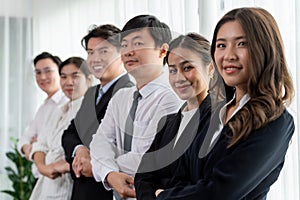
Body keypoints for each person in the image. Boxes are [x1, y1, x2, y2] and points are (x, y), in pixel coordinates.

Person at [155, 7, 295, 200]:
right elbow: (181, 174)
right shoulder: (213, 110)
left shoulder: (276, 121)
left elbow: (220, 193)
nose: (229, 55)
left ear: (264, 49)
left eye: (242, 43)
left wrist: (164, 197)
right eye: (221, 45)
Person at [89, 15, 181, 199]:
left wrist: (103, 166)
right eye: (124, 45)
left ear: (162, 51)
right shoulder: (121, 97)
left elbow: (146, 158)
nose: (129, 52)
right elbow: (100, 141)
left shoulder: (173, 97)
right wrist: (110, 174)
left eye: (138, 44)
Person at [134, 33, 214, 200]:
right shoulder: (167, 122)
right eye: (172, 70)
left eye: (187, 68)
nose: (179, 78)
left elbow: (205, 185)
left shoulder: (219, 120)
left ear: (210, 68)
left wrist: (164, 194)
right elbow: (143, 177)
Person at [61, 24, 134, 200]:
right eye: (90, 52)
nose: (95, 58)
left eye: (103, 51)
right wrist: (79, 150)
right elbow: (70, 133)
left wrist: (91, 159)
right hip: (81, 189)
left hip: (106, 191)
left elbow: (123, 145)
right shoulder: (91, 93)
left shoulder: (129, 93)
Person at [29, 57, 91, 200]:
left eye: (75, 76)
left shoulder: (89, 111)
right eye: (63, 77)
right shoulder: (58, 110)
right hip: (45, 185)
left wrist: (57, 167)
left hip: (68, 187)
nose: (68, 82)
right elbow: (40, 145)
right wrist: (44, 168)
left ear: (89, 79)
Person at [17, 52, 68, 178]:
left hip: (59, 177)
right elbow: (24, 139)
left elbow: (57, 144)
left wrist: (37, 143)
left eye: (47, 71)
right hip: (40, 176)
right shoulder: (43, 107)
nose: (43, 77)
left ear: (60, 73)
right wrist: (29, 147)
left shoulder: (67, 103)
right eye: (38, 72)